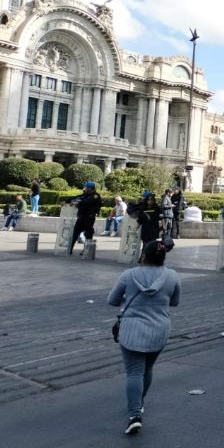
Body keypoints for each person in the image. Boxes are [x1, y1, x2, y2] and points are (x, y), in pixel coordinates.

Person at [107, 239, 181, 435]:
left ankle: (134, 415)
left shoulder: (129, 275)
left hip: (132, 330)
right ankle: (139, 404)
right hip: (159, 329)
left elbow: (112, 300)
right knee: (147, 368)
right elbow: (175, 302)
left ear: (143, 255)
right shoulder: (172, 276)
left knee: (134, 372)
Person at [64, 182, 103, 255]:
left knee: (88, 234)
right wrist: (68, 200)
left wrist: (77, 202)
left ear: (91, 188)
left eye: (87, 187)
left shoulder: (95, 196)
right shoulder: (85, 195)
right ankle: (69, 249)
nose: (86, 189)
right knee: (75, 233)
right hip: (81, 217)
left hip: (89, 218)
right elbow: (77, 197)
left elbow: (87, 201)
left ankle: (87, 250)